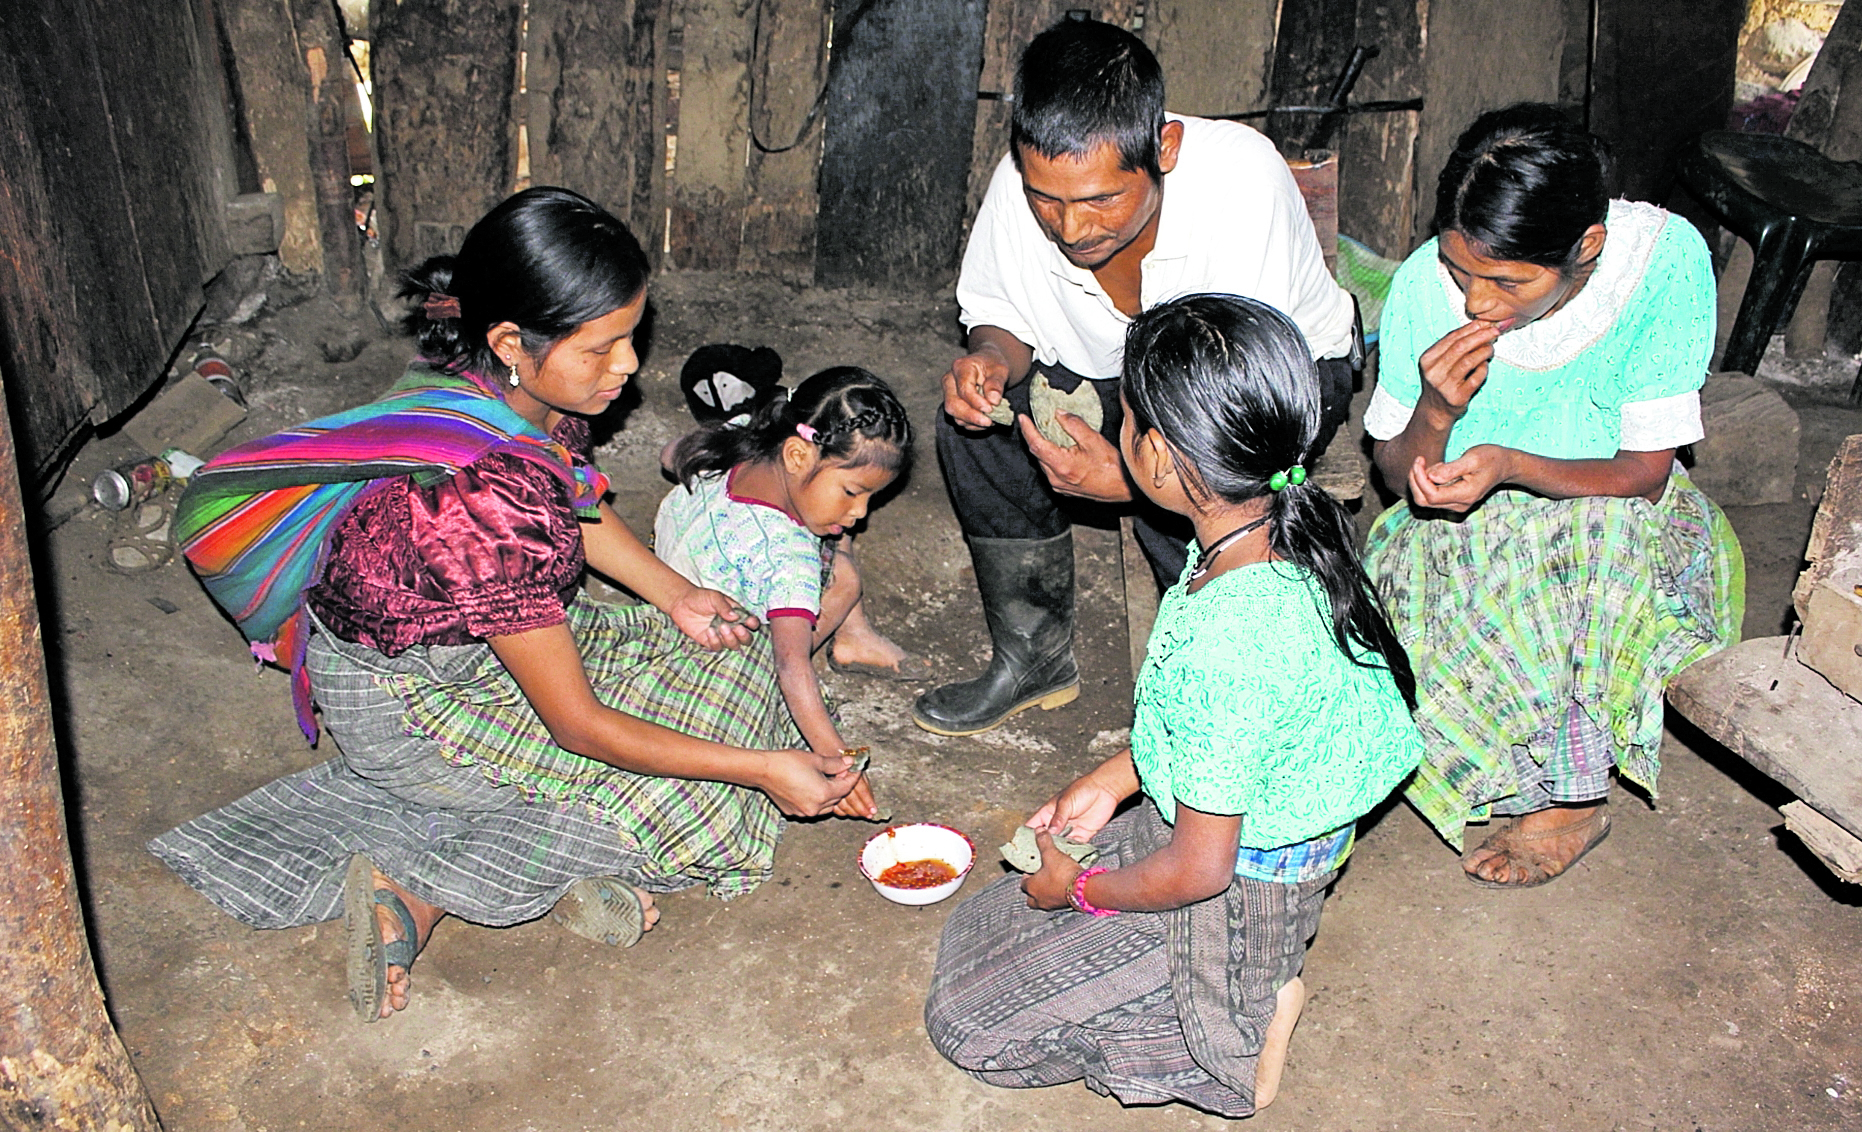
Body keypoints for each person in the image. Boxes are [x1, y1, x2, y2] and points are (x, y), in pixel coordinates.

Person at [150, 187, 874, 1024]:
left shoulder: (511, 395)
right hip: (412, 705)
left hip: (484, 643)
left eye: (630, 338)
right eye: (601, 347)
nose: (628, 367)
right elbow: (580, 725)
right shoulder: (487, 497)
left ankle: (531, 863)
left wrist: (676, 595)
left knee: (737, 651)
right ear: (509, 342)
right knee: (700, 801)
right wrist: (761, 772)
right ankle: (416, 893)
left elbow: (573, 500)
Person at [925, 294, 1421, 1116]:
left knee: (969, 1025)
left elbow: (1198, 870)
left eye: (1124, 419)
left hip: (1241, 884)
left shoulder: (1231, 634)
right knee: (976, 930)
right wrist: (1114, 779)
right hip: (1235, 809)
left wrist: (1078, 896)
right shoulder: (1264, 529)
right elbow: (1242, 725)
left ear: (1157, 455)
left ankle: (1240, 1032)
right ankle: (1193, 976)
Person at [915, 17, 1359, 737]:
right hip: (1120, 379)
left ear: (1163, 148)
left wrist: (1127, 480)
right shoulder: (1024, 181)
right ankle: (1033, 658)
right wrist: (990, 360)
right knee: (976, 423)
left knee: (1175, 475)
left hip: (1265, 387)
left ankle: (1210, 690)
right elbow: (1001, 314)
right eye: (1046, 200)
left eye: (1100, 200)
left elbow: (1232, 410)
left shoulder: (1242, 182)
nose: (1069, 228)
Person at [1362, 104, 1745, 888]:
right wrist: (1437, 414)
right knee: (1425, 563)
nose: (1475, 301)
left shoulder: (1660, 263)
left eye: (1507, 281)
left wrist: (1507, 462)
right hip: (1468, 520)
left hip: (1613, 512)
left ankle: (1569, 799)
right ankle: (1492, 752)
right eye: (1460, 269)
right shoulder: (1418, 290)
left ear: (1586, 248)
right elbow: (1396, 478)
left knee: (1592, 543)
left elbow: (1642, 471)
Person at [653, 366, 914, 756]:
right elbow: (791, 666)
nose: (862, 511)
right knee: (844, 577)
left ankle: (853, 637)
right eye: (853, 491)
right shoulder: (789, 556)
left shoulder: (745, 434)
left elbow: (669, 454)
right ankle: (852, 635)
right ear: (796, 454)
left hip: (666, 579)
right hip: (720, 648)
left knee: (834, 521)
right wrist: (836, 758)